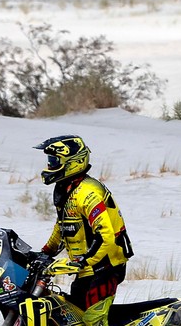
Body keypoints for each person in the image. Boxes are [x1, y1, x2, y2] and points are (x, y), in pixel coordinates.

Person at [34, 134, 133, 326]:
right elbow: (62, 227)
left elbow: (105, 236)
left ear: (73, 162)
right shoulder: (67, 189)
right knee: (74, 316)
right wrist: (44, 253)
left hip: (106, 266)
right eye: (50, 161)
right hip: (87, 268)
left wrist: (82, 261)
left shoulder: (88, 193)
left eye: (54, 161)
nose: (50, 165)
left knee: (92, 320)